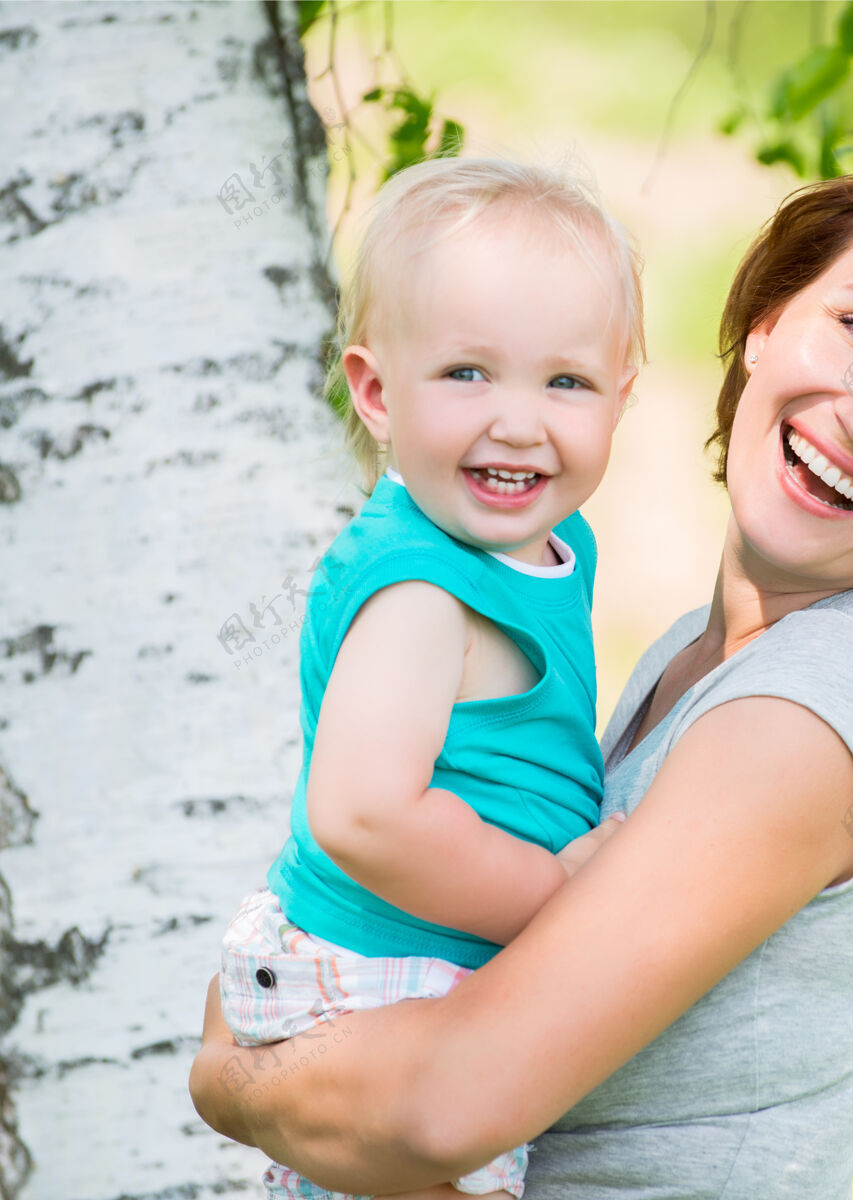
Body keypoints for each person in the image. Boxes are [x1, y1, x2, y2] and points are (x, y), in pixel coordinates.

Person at [191, 112, 853, 1198]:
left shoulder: (809, 716)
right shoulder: (699, 652)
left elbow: (442, 1107)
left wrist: (234, 1075)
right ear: (765, 321)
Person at [216, 157, 642, 1200]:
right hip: (377, 986)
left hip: (427, 971)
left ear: (621, 398)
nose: (518, 420)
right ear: (376, 392)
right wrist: (553, 900)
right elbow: (364, 815)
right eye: (467, 374)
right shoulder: (420, 592)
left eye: (566, 382)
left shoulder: (551, 543)